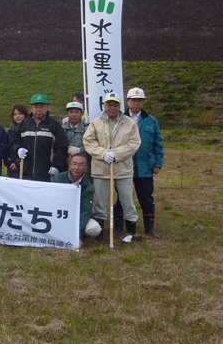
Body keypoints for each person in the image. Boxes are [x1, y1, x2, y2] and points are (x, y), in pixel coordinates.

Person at [83, 92, 141, 238]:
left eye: (115, 105)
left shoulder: (129, 123)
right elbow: (88, 141)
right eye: (109, 104)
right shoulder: (95, 122)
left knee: (127, 201)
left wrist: (116, 154)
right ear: (104, 106)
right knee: (100, 202)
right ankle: (99, 233)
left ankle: (131, 232)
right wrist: (103, 153)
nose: (112, 108)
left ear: (120, 106)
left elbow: (134, 143)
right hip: (101, 169)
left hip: (123, 169)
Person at [114, 87, 164, 237]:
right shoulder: (119, 120)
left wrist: (157, 163)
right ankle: (118, 227)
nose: (136, 103)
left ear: (143, 102)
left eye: (139, 100)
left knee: (146, 198)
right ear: (127, 102)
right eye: (133, 100)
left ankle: (149, 229)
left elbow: (158, 143)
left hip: (145, 167)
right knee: (123, 197)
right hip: (124, 166)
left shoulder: (151, 121)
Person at [11, 93, 68, 182]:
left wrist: (56, 165)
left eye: (41, 106)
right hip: (26, 174)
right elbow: (13, 140)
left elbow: (62, 147)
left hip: (47, 174)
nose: (38, 109)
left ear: (47, 107)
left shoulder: (54, 126)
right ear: (31, 108)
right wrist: (17, 149)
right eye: (36, 106)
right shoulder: (23, 125)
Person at [51, 153, 102, 243]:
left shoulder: (88, 186)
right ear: (69, 166)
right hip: (59, 214)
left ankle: (78, 233)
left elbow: (85, 211)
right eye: (74, 164)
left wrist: (78, 236)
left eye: (80, 164)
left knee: (94, 229)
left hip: (77, 215)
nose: (76, 168)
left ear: (86, 168)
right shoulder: (58, 178)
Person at [2, 104, 28, 178]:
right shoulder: (9, 132)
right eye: (15, 114)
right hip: (13, 170)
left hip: (27, 169)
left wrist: (19, 164)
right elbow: (6, 150)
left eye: (20, 114)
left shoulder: (29, 131)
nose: (17, 116)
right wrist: (10, 163)